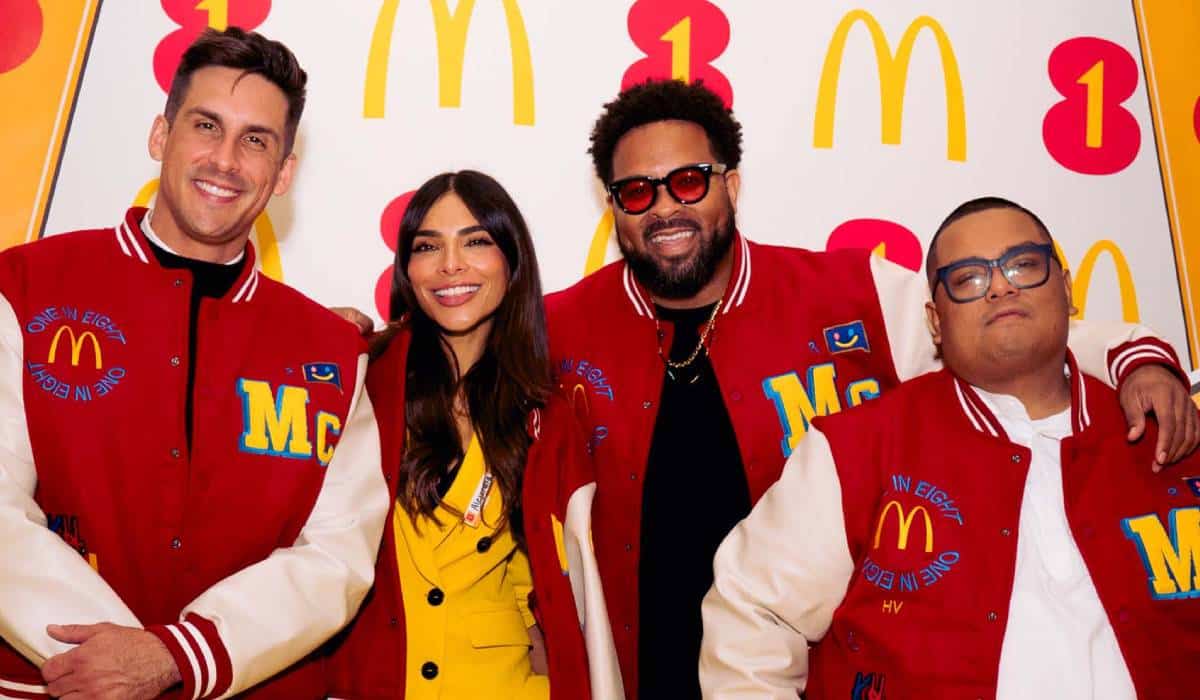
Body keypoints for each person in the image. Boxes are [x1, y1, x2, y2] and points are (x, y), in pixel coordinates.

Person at [538, 79, 1197, 699]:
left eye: (688, 181)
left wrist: (1140, 359)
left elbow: (1006, 328)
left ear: (731, 186)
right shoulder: (557, 330)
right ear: (612, 204)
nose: (666, 208)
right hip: (639, 671)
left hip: (796, 669)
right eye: (637, 192)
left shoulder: (850, 296)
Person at [0, 28, 388, 699]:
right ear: (160, 135)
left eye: (256, 140)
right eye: (207, 125)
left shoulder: (328, 350)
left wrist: (178, 656)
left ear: (284, 172)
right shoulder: (25, 286)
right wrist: (115, 661)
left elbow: (337, 555)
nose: (226, 160)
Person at [699, 197, 1200, 698]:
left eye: (1023, 265)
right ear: (935, 322)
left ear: (1066, 289)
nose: (1001, 285)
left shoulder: (1168, 431)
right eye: (968, 279)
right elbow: (751, 619)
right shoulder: (858, 448)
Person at [326, 171, 606, 700]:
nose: (451, 264)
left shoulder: (547, 414)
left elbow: (543, 590)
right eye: (427, 246)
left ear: (512, 260)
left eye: (476, 241)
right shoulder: (363, 378)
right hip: (377, 680)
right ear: (406, 269)